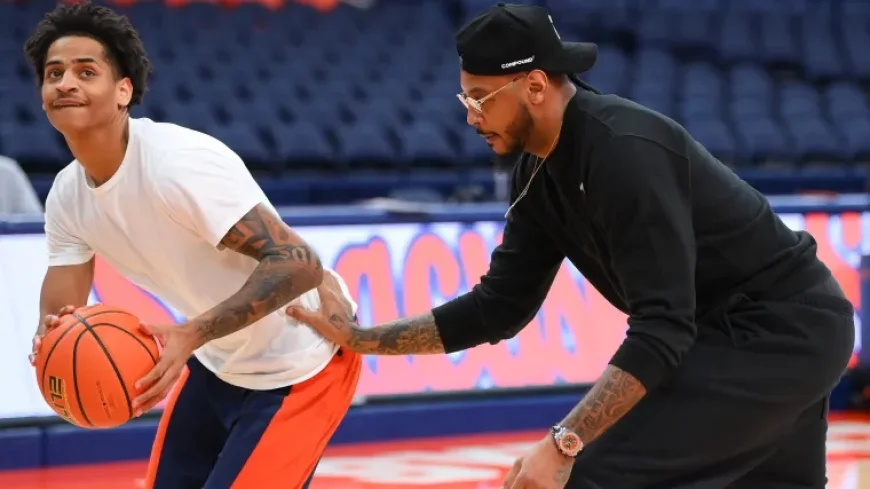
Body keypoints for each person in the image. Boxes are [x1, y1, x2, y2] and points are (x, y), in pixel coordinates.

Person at [288, 4, 855, 489]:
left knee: (583, 476)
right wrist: (360, 340)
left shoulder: (622, 152)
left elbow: (663, 328)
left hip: (777, 331)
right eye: (465, 99)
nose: (472, 117)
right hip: (752, 334)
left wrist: (564, 444)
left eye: (481, 98)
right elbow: (499, 306)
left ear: (534, 85)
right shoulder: (536, 172)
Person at [23, 3, 361, 488]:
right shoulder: (66, 196)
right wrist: (53, 344)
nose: (65, 83)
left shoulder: (176, 164)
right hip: (219, 362)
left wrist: (191, 334)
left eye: (85, 71)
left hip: (303, 362)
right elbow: (63, 306)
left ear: (124, 91)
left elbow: (300, 264)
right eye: (54, 73)